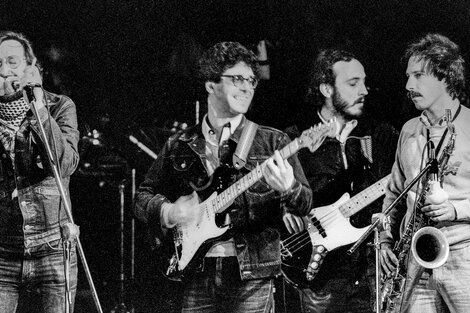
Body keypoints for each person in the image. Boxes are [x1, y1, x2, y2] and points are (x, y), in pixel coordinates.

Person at [133, 41, 313, 313]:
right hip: (194, 272)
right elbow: (141, 198)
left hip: (251, 276)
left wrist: (289, 188)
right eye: (237, 79)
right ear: (210, 85)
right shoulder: (179, 144)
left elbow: (306, 204)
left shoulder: (272, 141)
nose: (247, 87)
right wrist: (169, 211)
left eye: (251, 80)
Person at [282, 49, 398, 313]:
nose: (364, 90)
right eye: (353, 83)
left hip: (370, 270)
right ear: (325, 88)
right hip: (318, 276)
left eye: (364, 82)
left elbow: (397, 195)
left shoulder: (380, 135)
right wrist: (286, 208)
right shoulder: (295, 140)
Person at [379, 33, 470, 312]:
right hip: (415, 259)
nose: (408, 85)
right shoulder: (408, 130)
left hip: (463, 256)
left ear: (445, 77)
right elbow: (394, 192)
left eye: (419, 75)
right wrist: (384, 240)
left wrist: (455, 210)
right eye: (408, 76)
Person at [0, 31, 80, 312]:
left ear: (30, 68)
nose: (4, 71)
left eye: (12, 62)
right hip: (4, 251)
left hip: (53, 247)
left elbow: (63, 163)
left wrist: (39, 107)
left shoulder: (59, 106)